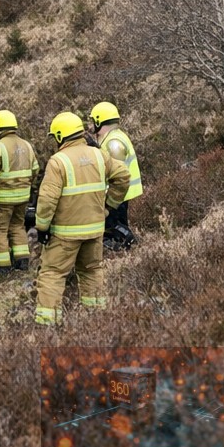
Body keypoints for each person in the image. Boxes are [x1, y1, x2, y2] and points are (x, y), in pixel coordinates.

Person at [34, 111, 130, 325]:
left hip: (65, 234)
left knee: (52, 274)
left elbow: (47, 200)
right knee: (91, 271)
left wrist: (42, 227)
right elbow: (123, 177)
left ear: (59, 136)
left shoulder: (57, 161)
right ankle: (96, 321)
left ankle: (46, 324)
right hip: (95, 230)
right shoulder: (99, 155)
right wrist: (109, 206)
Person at [0, 109, 40, 273]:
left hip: (1, 200)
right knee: (18, 227)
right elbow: (36, 170)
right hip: (23, 198)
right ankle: (23, 261)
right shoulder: (27, 145)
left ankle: (3, 267)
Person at [89, 101, 142, 248]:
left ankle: (129, 246)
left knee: (114, 225)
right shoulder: (114, 137)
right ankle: (122, 250)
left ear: (99, 121)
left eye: (93, 121)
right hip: (120, 193)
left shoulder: (114, 143)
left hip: (118, 194)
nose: (91, 125)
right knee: (112, 226)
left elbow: (116, 173)